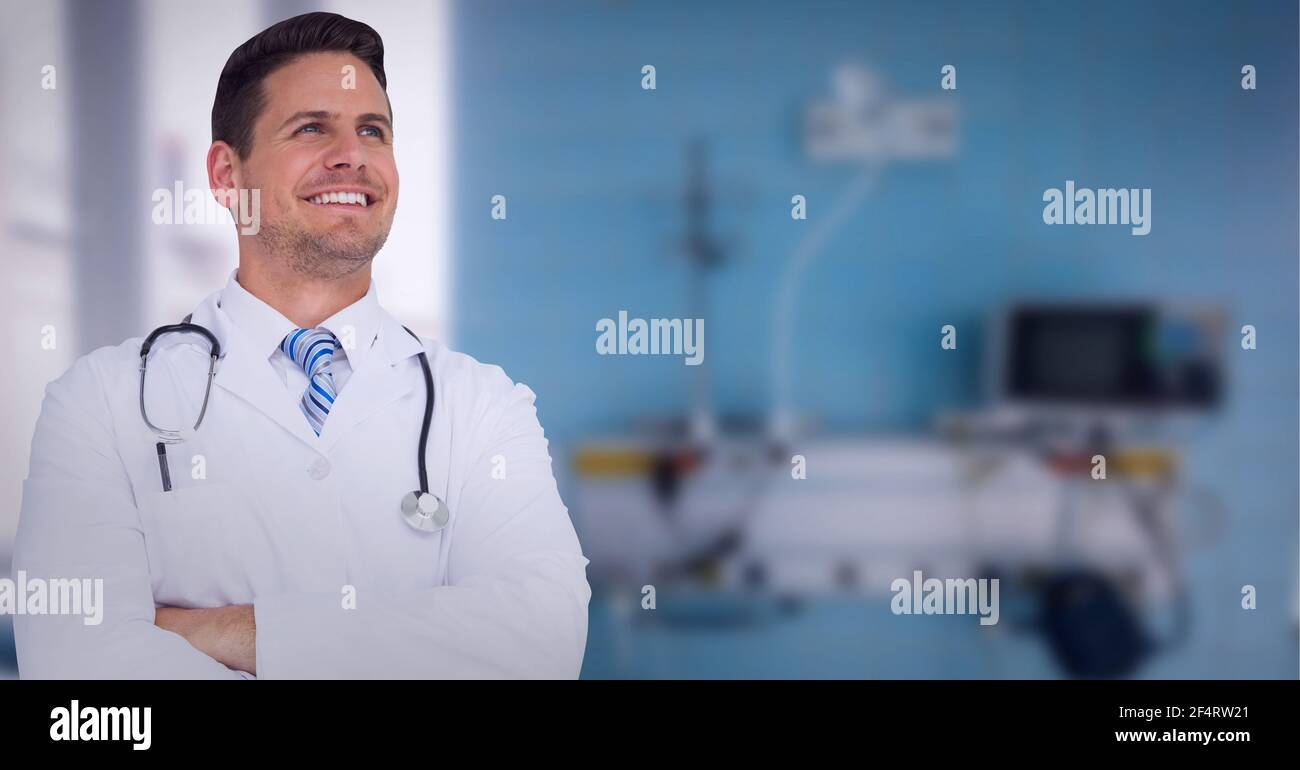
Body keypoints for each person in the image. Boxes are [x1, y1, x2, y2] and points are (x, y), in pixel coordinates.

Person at [11, 12, 590, 679]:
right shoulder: (100, 402)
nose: (354, 154)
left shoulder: (483, 405)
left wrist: (221, 631)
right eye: (312, 127)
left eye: (372, 129)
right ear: (227, 176)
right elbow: (78, 671)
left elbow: (540, 643)